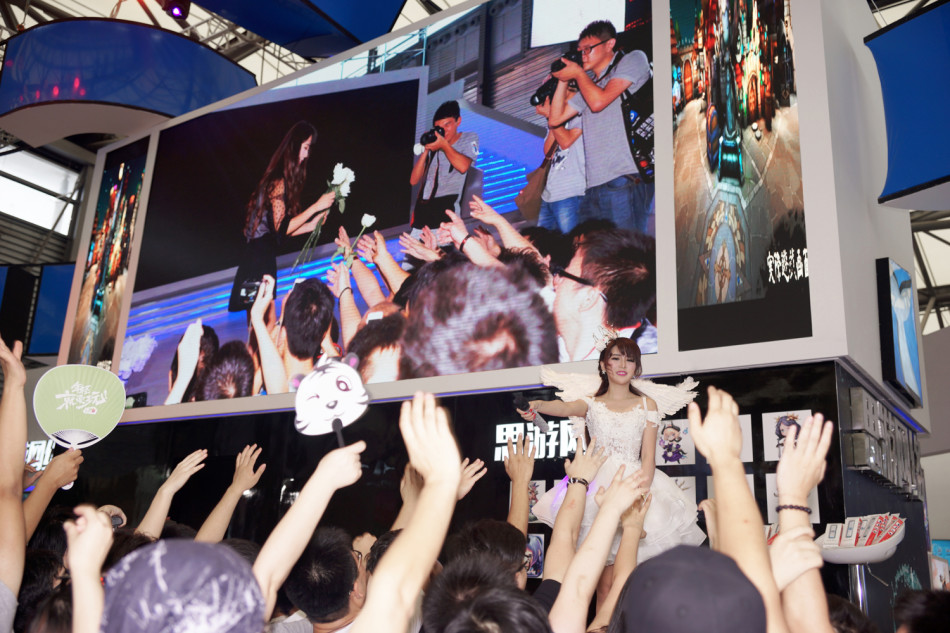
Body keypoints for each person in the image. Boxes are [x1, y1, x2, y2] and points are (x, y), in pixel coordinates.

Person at [517, 337, 704, 570]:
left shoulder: (648, 405)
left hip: (634, 481)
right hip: (596, 486)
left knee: (631, 572)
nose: (623, 365)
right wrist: (537, 405)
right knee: (598, 573)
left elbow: (648, 456)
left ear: (637, 367)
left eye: (630, 360)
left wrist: (640, 494)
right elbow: (565, 407)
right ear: (604, 365)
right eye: (616, 358)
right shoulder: (591, 403)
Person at [548, 20, 654, 234]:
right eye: (580, 51)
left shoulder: (633, 59)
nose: (583, 55)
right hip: (593, 186)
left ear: (610, 44)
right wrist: (562, 79)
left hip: (625, 178)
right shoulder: (589, 87)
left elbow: (598, 102)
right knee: (595, 250)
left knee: (627, 249)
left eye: (588, 49)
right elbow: (555, 119)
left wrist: (578, 74)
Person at [229, 121, 336, 313]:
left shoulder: (277, 179)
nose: (306, 154)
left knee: (256, 318)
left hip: (256, 261)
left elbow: (276, 232)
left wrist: (310, 226)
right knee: (260, 318)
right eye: (305, 148)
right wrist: (316, 207)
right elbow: (281, 229)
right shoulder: (279, 182)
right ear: (294, 146)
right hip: (258, 265)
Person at [409, 101, 479, 236]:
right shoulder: (435, 146)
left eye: (447, 125)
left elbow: (464, 167)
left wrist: (444, 145)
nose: (444, 130)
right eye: (439, 128)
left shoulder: (469, 138)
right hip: (422, 217)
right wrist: (426, 149)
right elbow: (413, 180)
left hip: (445, 217)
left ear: (458, 121)